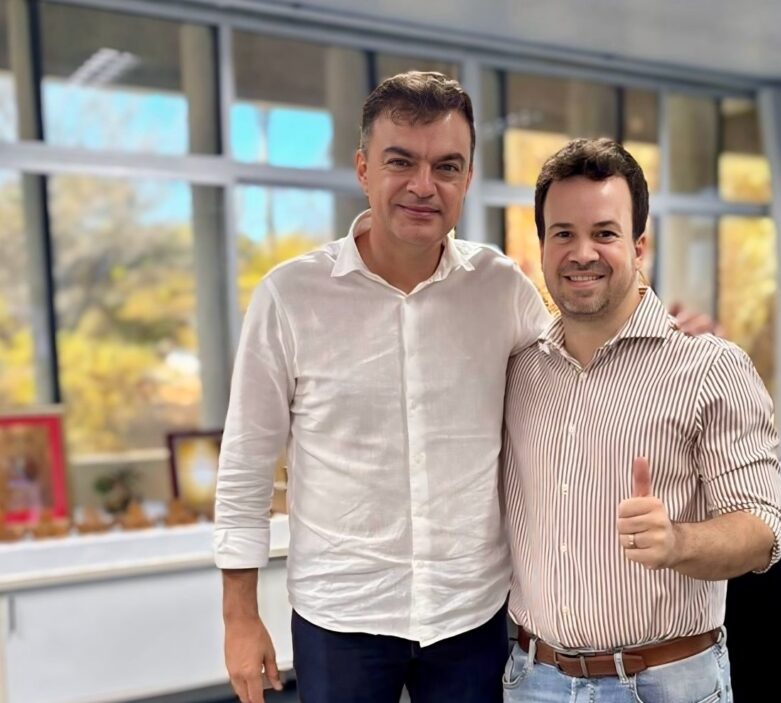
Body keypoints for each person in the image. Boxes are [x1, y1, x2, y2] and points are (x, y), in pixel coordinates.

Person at [214, 71, 550, 703]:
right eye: (402, 162)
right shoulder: (290, 297)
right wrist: (239, 617)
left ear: (467, 179)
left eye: (447, 166)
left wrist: (656, 335)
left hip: (470, 612)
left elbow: (573, 384)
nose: (424, 185)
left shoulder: (502, 288)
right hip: (341, 615)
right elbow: (246, 465)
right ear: (364, 169)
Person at [501, 138, 781, 703]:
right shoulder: (518, 369)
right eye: (563, 233)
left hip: (663, 685)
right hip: (533, 680)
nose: (582, 252)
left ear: (639, 246)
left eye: (604, 233)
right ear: (543, 247)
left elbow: (763, 529)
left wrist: (677, 541)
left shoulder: (711, 367)